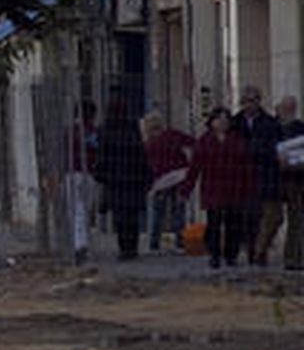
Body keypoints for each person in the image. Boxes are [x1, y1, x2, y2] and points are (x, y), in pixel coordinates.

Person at [181, 107, 253, 270]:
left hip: (234, 188)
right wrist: (186, 189)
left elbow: (246, 166)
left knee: (233, 224)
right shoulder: (204, 141)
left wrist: (248, 188)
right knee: (214, 224)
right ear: (212, 122)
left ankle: (231, 255)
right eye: (219, 119)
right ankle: (214, 255)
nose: (222, 122)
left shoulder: (238, 141)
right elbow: (195, 168)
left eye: (225, 119)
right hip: (213, 189)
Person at [93, 101, 154, 260]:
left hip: (115, 181)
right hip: (132, 180)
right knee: (132, 217)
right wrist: (146, 175)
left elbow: (102, 156)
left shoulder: (105, 131)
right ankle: (132, 248)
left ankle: (124, 249)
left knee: (120, 218)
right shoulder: (132, 129)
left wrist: (100, 174)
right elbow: (141, 154)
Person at [233, 84, 282, 265]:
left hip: (265, 176)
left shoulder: (269, 123)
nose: (250, 105)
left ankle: (261, 250)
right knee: (249, 218)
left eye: (253, 101)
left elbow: (275, 148)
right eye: (246, 101)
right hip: (243, 177)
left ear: (259, 102)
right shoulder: (235, 123)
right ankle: (254, 251)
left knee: (269, 218)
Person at [141, 110, 194, 252]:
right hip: (179, 177)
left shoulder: (148, 144)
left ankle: (154, 244)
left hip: (159, 182)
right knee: (178, 212)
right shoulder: (173, 135)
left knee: (158, 213)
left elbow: (146, 165)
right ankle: (180, 243)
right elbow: (192, 142)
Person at [65, 100, 100, 263]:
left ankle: (79, 244)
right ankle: (82, 242)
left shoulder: (71, 132)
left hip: (71, 173)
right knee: (84, 209)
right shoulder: (93, 132)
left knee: (75, 209)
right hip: (89, 174)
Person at [276, 95, 304, 271]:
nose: (288, 110)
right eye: (285, 107)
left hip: (299, 177)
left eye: (290, 107)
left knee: (297, 219)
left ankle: (296, 257)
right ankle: (291, 257)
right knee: (287, 219)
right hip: (283, 180)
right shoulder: (274, 129)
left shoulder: (300, 128)